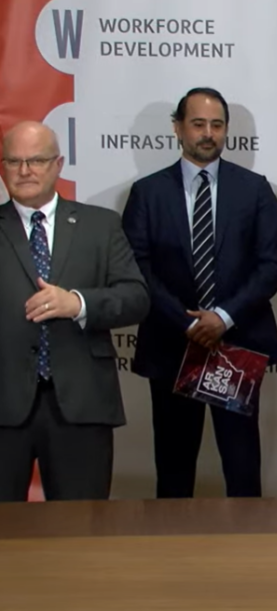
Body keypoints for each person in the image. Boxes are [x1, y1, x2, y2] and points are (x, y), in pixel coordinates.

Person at [122, 88, 277, 499]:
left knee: (242, 468)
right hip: (172, 346)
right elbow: (137, 267)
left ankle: (246, 553)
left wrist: (223, 318)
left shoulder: (255, 190)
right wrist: (188, 323)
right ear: (178, 128)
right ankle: (173, 555)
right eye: (198, 124)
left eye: (217, 125)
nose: (208, 133)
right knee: (175, 471)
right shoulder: (147, 193)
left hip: (237, 347)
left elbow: (272, 265)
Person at [0, 121, 149, 502]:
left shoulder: (100, 225)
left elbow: (136, 298)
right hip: (4, 404)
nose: (24, 171)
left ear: (58, 164)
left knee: (81, 534)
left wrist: (78, 304)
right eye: (13, 161)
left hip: (82, 403)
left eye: (36, 160)